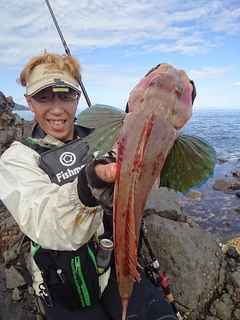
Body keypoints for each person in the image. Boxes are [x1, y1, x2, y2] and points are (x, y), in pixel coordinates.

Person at [0, 50, 187, 320]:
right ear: (29, 102)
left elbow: (145, 163)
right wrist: (88, 187)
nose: (56, 109)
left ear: (77, 97)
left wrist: (163, 104)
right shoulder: (17, 159)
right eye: (43, 97)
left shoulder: (103, 135)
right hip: (64, 282)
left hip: (114, 265)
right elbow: (40, 218)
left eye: (66, 95)